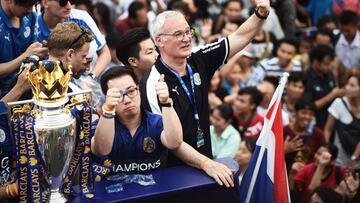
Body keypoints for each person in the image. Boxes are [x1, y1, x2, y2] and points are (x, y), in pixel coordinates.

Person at [141, 0, 271, 166]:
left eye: (188, 32)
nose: (186, 38)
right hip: (173, 172)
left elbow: (240, 36)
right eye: (178, 34)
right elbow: (169, 141)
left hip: (205, 162)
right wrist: (206, 164)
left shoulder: (199, 59)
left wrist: (260, 14)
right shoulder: (152, 82)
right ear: (159, 41)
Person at [94, 67, 234, 187]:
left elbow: (175, 143)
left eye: (131, 91)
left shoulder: (156, 122)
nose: (127, 99)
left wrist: (207, 164)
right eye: (118, 95)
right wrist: (108, 109)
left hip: (157, 195)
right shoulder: (102, 126)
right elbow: (101, 149)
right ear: (107, 97)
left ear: (139, 90)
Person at [38, 0, 111, 81]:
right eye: (63, 2)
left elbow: (105, 53)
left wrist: (91, 77)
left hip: (86, 79)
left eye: (71, 1)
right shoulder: (34, 25)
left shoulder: (81, 17)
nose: (69, 6)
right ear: (45, 3)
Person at [0, 0, 48, 102]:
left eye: (33, 4)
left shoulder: (31, 17)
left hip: (26, 90)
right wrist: (25, 56)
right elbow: (27, 54)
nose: (31, 10)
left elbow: (31, 53)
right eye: (26, 4)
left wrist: (39, 51)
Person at [323, 74, 360, 171]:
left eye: (352, 85)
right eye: (347, 84)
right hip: (339, 160)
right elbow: (328, 129)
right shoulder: (338, 103)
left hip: (357, 161)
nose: (347, 87)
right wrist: (326, 150)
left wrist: (354, 158)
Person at [304, 45, 344, 129]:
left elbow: (334, 89)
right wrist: (332, 95)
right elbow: (310, 106)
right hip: (315, 123)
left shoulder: (329, 74)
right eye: (326, 64)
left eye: (330, 64)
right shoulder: (306, 78)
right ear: (315, 62)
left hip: (331, 119)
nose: (329, 67)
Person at [284, 95, 326, 172]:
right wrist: (285, 150)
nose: (307, 117)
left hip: (307, 178)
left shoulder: (317, 134)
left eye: (310, 114)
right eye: (304, 113)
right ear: (295, 112)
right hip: (284, 177)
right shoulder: (284, 131)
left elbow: (323, 157)